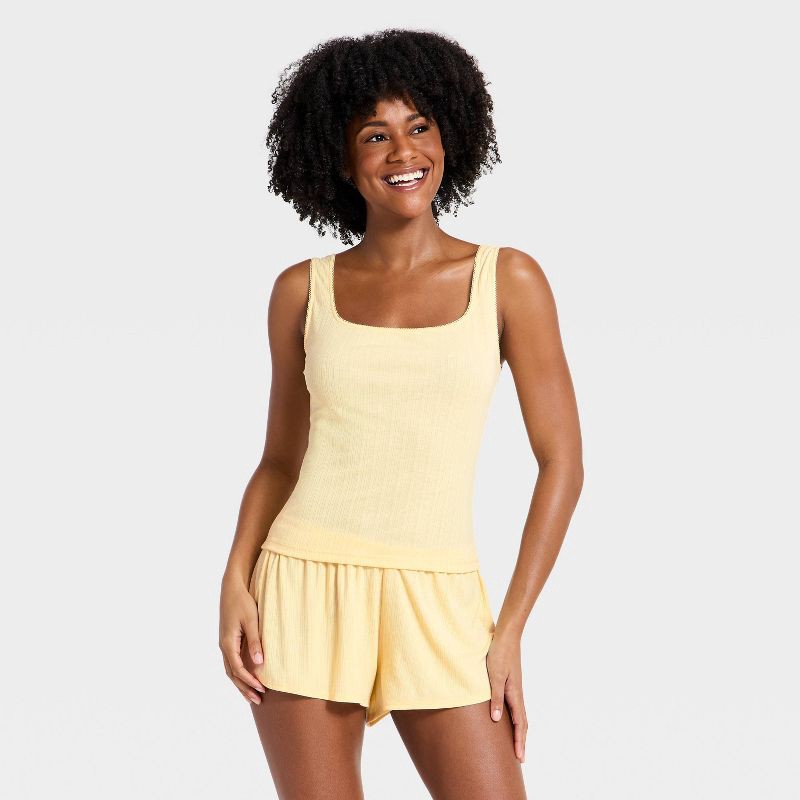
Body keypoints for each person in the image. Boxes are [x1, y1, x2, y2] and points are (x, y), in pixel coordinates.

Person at [219, 28, 583, 800]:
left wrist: (511, 628)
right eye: (374, 135)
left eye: (419, 126)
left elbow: (562, 462)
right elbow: (280, 459)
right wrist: (234, 580)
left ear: (450, 136)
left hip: (439, 594)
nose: (402, 152)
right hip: (303, 584)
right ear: (340, 158)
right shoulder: (301, 291)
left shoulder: (507, 279)